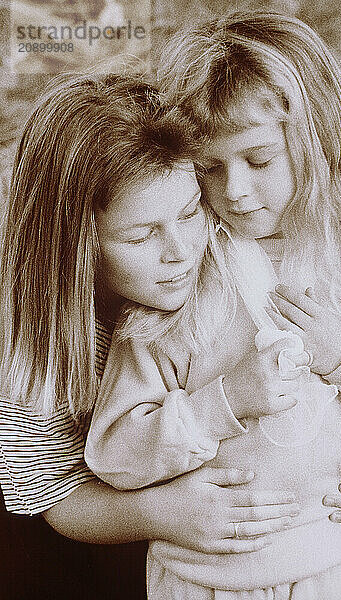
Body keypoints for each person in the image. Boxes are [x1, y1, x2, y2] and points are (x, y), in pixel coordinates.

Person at [83, 11, 341, 600]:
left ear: (316, 143)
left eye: (258, 159)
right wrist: (222, 402)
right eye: (209, 167)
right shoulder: (178, 281)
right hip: (208, 580)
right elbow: (115, 455)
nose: (234, 191)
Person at [0, 73, 306, 598]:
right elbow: (46, 496)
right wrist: (157, 513)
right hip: (70, 551)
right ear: (77, 244)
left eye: (190, 213)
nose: (180, 252)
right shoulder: (33, 343)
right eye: (140, 236)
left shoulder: (214, 245)